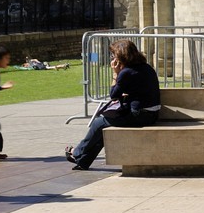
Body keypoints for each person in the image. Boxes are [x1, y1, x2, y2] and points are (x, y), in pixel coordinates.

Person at [66, 40, 161, 169]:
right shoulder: (146, 67)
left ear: (121, 56)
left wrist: (115, 73)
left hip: (140, 115)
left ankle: (77, 152)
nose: (113, 58)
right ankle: (83, 161)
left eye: (113, 55)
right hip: (152, 114)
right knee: (103, 127)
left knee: (98, 123)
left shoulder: (126, 72)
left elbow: (113, 95)